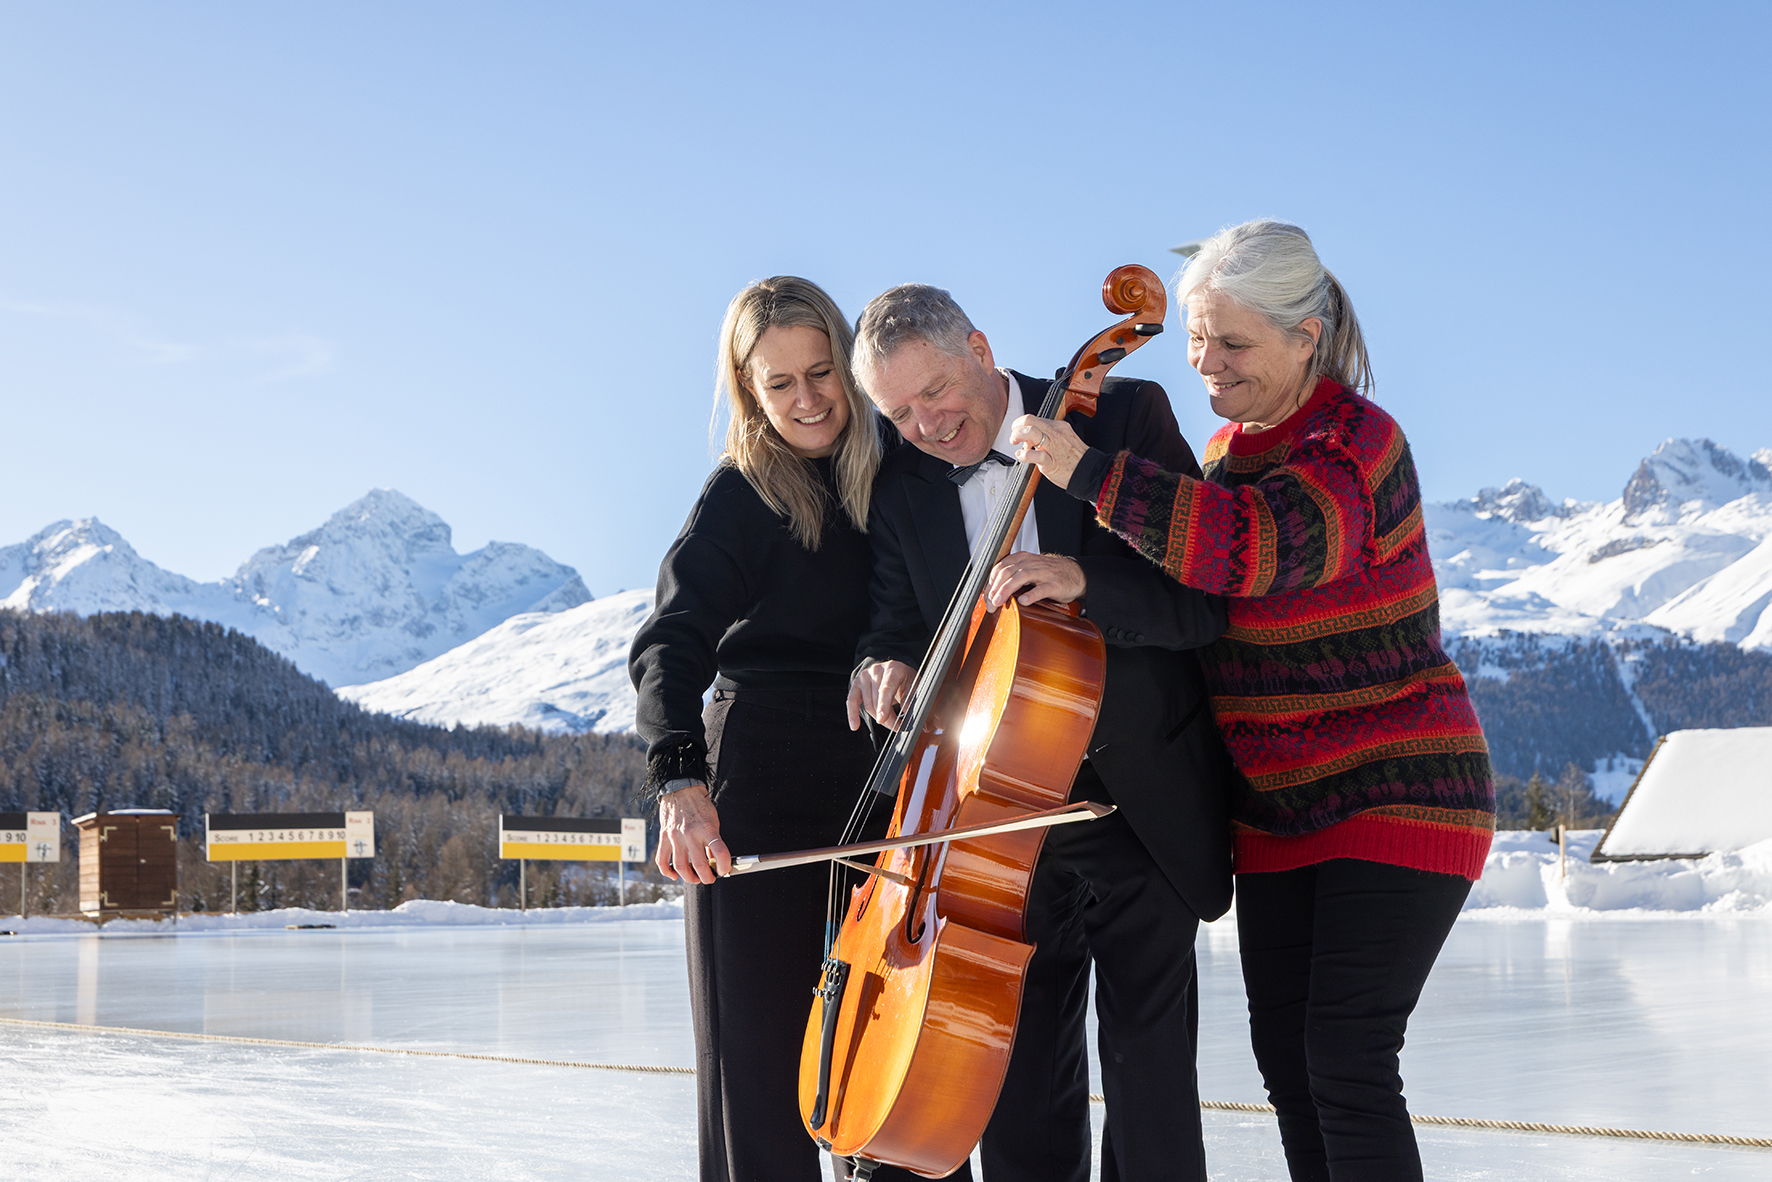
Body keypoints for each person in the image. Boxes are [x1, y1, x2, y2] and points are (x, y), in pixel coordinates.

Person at [1011, 220, 1496, 1182]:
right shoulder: (1229, 451)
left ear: (1304, 336)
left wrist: (1088, 470)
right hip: (1277, 812)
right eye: (1197, 337)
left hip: (1396, 790)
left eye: (1232, 343)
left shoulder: (1356, 443)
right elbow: (1193, 600)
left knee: (1347, 1062)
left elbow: (1254, 551)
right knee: (1288, 1065)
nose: (1206, 363)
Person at [846, 283, 1234, 1182]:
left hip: (1136, 804)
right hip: (994, 821)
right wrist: (885, 664)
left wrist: (1081, 579)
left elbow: (1200, 600)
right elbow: (893, 621)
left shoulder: (1123, 414)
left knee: (1151, 1080)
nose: (926, 426)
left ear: (981, 346)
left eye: (935, 392)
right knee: (1017, 1082)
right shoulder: (901, 485)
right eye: (898, 412)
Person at [628, 276, 959, 1182]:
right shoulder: (739, 495)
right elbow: (670, 643)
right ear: (749, 392)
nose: (808, 400)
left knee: (895, 1050)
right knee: (758, 1064)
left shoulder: (903, 470)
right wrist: (679, 783)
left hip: (889, 770)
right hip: (761, 773)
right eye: (781, 384)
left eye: (822, 373)